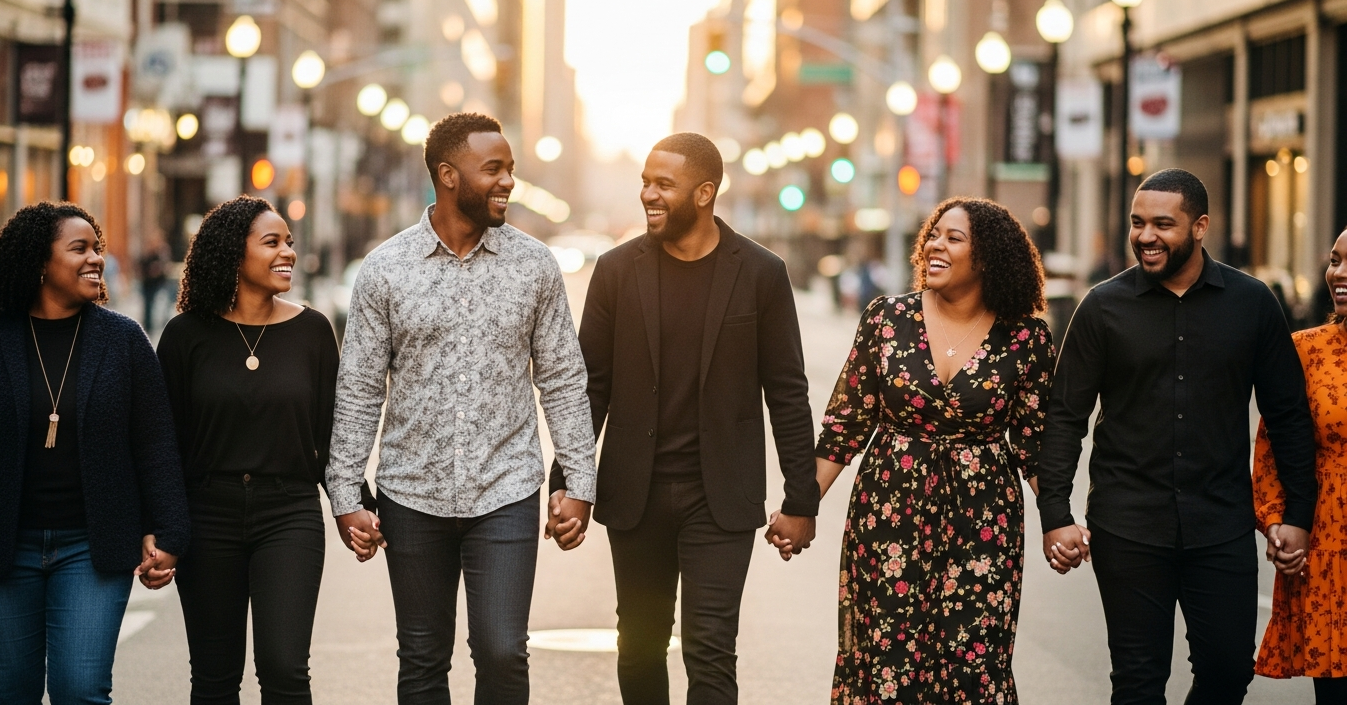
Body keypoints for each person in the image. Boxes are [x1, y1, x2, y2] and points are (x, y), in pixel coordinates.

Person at [327, 112, 597, 704]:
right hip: (410, 495)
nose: (508, 182)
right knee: (422, 657)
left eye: (510, 169)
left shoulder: (535, 266)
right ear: (448, 175)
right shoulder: (386, 269)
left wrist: (579, 483)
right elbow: (360, 388)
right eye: (493, 169)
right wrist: (345, 494)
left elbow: (562, 379)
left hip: (506, 490)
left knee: (502, 649)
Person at [545, 132, 820, 704]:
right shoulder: (617, 270)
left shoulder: (761, 272)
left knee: (711, 649)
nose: (648, 194)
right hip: (636, 493)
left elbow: (787, 393)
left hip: (719, 498)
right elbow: (589, 388)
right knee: (639, 646)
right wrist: (568, 483)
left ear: (704, 192)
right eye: (645, 182)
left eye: (663, 185)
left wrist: (801, 501)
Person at [1039, 168, 1318, 704]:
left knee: (1228, 670)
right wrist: (1056, 513)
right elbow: (1066, 417)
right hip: (1128, 525)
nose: (1146, 236)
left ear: (1200, 226)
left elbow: (1287, 416)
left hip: (1221, 523)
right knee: (1138, 682)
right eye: (1138, 223)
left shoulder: (1253, 303)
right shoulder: (1102, 306)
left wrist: (1298, 514)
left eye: (1163, 224)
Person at [0, 202, 189, 703]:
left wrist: (168, 532)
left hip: (91, 550)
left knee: (81, 689)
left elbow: (156, 443)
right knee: (7, 693)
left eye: (97, 248)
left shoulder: (124, 340)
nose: (96, 259)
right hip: (1, 549)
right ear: (39, 262)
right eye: (80, 249)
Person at [810, 198, 1053, 702]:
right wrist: (799, 506)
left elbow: (1034, 443)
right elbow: (845, 424)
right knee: (888, 654)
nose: (935, 246)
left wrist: (1060, 519)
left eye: (953, 238)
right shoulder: (887, 318)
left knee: (974, 659)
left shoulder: (1026, 338)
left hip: (984, 520)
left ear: (987, 257)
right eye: (933, 235)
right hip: (889, 513)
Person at [157, 196, 343, 703]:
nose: (288, 252)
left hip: (289, 513)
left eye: (289, 242)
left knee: (285, 668)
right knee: (214, 676)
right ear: (233, 254)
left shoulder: (313, 331)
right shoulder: (185, 335)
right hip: (206, 515)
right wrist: (159, 527)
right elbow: (163, 443)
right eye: (272, 242)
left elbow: (333, 435)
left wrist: (353, 504)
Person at [1253, 225, 1347, 701]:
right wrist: (1278, 521)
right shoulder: (1306, 349)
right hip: (1328, 546)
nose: (1339, 273)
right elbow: (1273, 448)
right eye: (1335, 260)